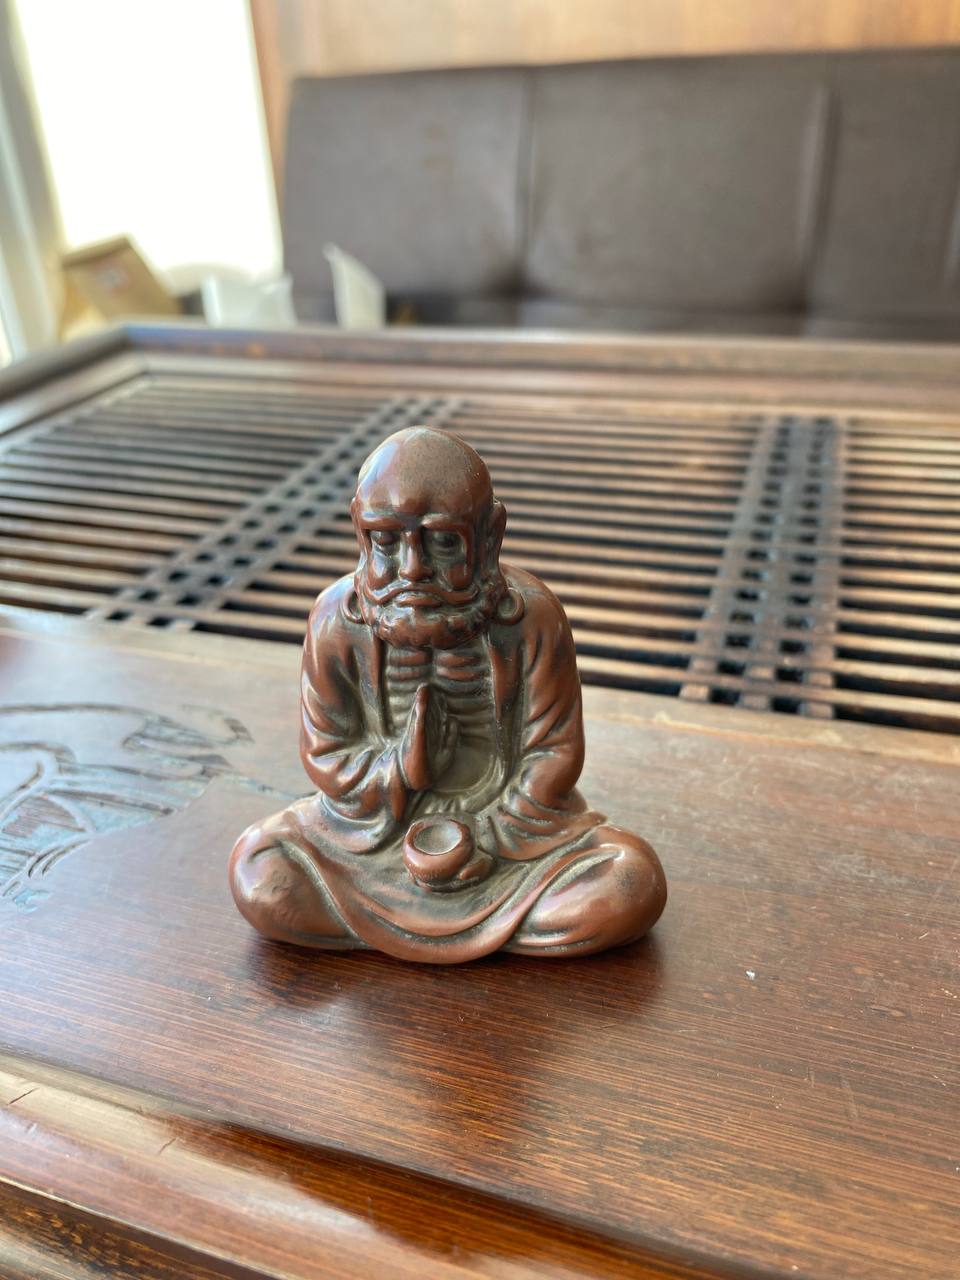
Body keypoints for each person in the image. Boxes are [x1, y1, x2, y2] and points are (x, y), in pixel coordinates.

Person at [229, 426, 666, 961]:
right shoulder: (335, 621)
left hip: (509, 840)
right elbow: (327, 753)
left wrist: (484, 838)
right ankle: (468, 923)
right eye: (386, 541)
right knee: (263, 871)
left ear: (491, 535)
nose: (413, 569)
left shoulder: (532, 618)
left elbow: (552, 753)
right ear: (359, 532)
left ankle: (433, 915)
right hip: (372, 838)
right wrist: (402, 769)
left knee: (628, 881)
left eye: (442, 542)